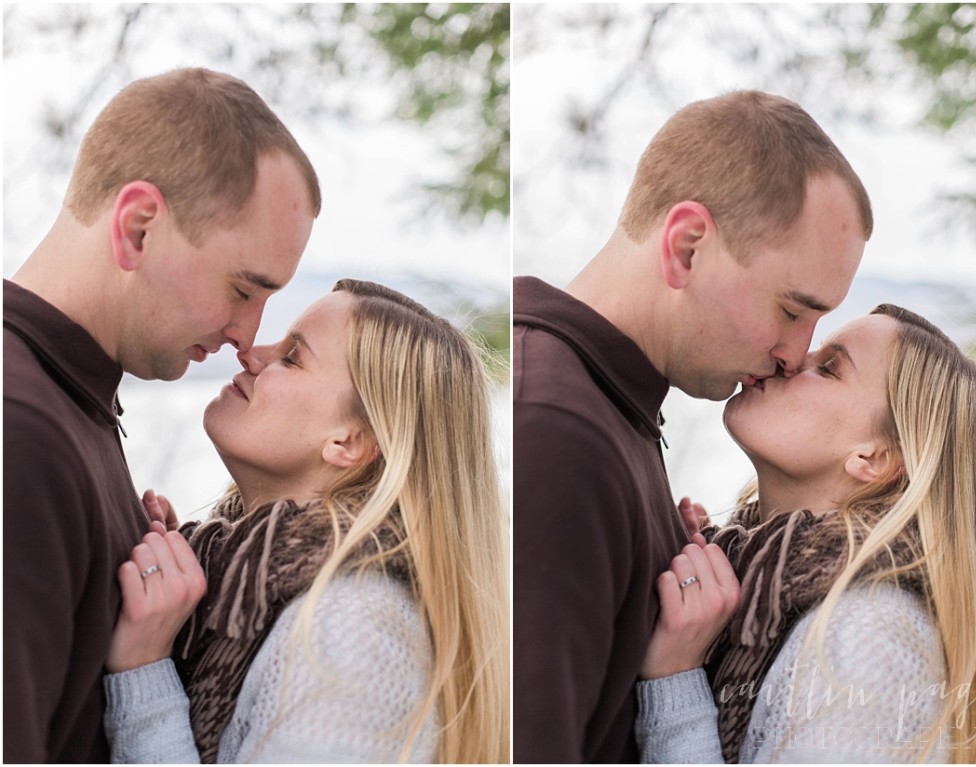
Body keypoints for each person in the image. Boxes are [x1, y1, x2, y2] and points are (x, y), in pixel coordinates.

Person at [513, 90, 873, 762]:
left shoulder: (612, 410)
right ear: (686, 247)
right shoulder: (556, 432)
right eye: (793, 309)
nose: (796, 353)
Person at [4, 67, 320, 763]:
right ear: (139, 228)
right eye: (243, 288)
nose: (247, 334)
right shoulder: (18, 431)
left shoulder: (67, 403)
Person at [100, 279, 511, 763]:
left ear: (349, 442)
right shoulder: (249, 575)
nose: (250, 352)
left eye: (292, 356)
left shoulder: (353, 634)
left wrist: (144, 673)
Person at [636, 305, 976, 763]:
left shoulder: (870, 639)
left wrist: (676, 683)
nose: (791, 358)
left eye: (830, 367)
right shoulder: (767, 577)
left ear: (874, 458)